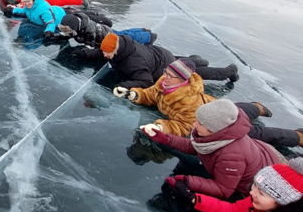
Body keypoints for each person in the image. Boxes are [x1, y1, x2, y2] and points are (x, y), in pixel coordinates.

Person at [115, 58, 303, 148]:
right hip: (216, 108)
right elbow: (151, 94)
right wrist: (134, 94)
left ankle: (297, 137)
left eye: (171, 76)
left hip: (217, 125)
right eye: (166, 72)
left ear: (183, 80)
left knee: (254, 133)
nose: (165, 77)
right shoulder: (163, 84)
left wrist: (161, 126)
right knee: (237, 109)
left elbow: (186, 126)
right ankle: (257, 107)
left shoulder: (188, 100)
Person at [143, 99, 284, 200]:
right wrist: (165, 138)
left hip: (269, 176)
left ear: (214, 130)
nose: (194, 124)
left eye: (200, 123)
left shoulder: (231, 156)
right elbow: (194, 146)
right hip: (260, 154)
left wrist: (189, 181)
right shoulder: (214, 135)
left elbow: (224, 190)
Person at [97, 33, 239, 88]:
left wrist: (123, 85)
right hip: (160, 54)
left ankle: (229, 71)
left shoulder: (134, 62)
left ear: (117, 50)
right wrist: (85, 53)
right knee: (185, 63)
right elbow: (101, 50)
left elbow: (147, 81)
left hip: (163, 67)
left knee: (192, 74)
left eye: (107, 52)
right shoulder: (121, 44)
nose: (104, 54)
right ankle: (196, 60)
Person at [59, 12, 155, 60]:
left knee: (128, 37)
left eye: (67, 30)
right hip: (105, 30)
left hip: (108, 36)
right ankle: (142, 30)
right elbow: (69, 34)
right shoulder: (79, 25)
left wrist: (84, 52)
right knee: (124, 32)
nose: (66, 32)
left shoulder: (89, 31)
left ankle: (148, 36)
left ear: (75, 26)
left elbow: (92, 47)